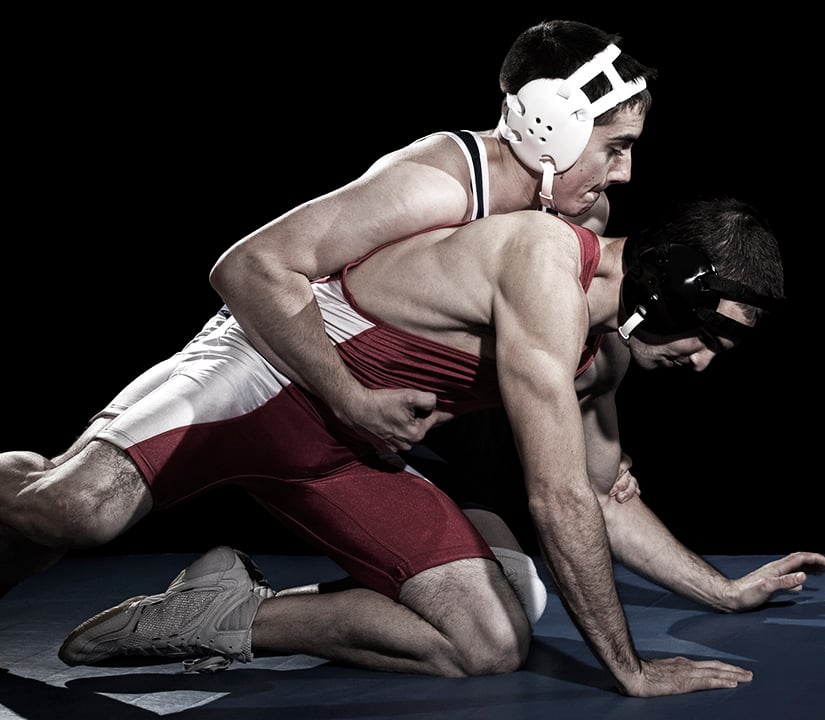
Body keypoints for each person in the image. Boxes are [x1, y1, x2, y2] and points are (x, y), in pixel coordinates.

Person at [0, 197, 825, 698]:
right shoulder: (546, 258)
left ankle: (210, 615)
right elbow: (557, 500)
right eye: (710, 335)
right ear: (667, 288)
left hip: (350, 454)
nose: (707, 361)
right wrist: (630, 669)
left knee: (490, 641)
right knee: (71, 513)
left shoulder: (601, 357)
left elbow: (602, 499)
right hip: (266, 375)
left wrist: (720, 595)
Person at [42, 19, 657, 583]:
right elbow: (250, 267)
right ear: (554, 125)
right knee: (76, 512)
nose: (625, 172)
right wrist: (351, 399)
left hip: (364, 416)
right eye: (616, 146)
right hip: (269, 362)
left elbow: (508, 359)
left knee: (496, 619)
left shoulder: (584, 216)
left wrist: (592, 451)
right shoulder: (440, 180)